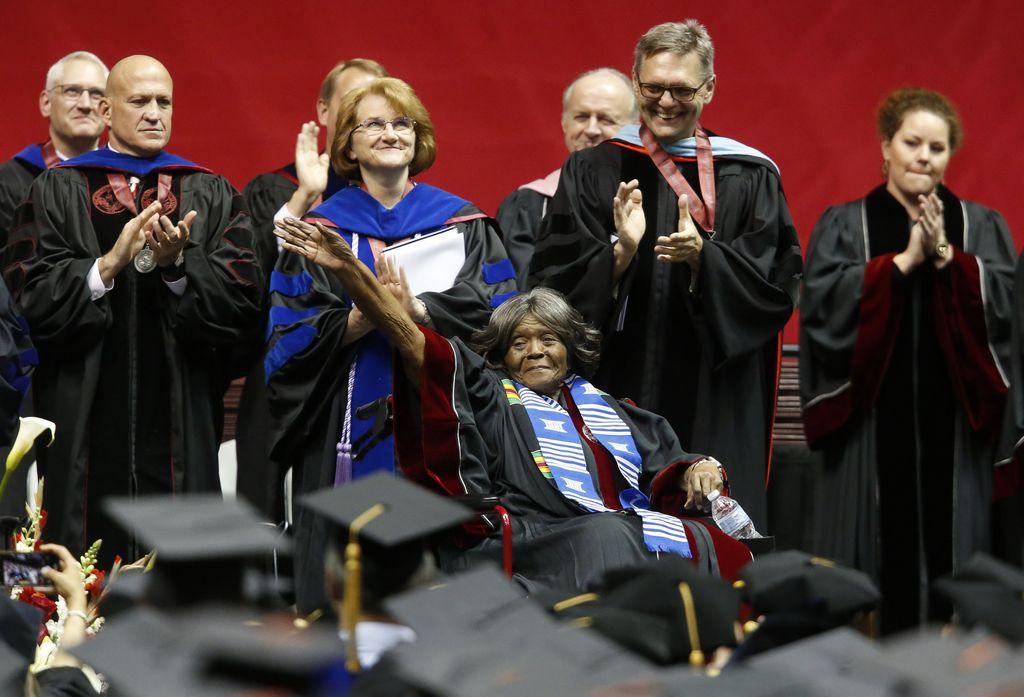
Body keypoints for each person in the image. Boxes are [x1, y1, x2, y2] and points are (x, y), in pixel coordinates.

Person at [276, 213, 752, 594]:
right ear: (502, 354)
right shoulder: (489, 392)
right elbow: (413, 342)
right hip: (533, 538)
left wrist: (697, 467)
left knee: (710, 538)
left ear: (570, 347)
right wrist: (352, 273)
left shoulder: (607, 407)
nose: (536, 351)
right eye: (520, 343)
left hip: (617, 527)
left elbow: (666, 462)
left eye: (549, 339)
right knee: (606, 535)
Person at [529, 20, 802, 532]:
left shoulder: (749, 175)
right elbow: (550, 286)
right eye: (653, 88)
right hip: (615, 385)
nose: (666, 102)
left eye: (682, 89)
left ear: (710, 88)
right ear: (635, 83)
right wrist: (619, 254)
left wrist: (707, 260)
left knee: (709, 545)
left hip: (713, 392)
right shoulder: (593, 169)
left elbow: (776, 286)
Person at [264, 77, 516, 613]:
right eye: (373, 124)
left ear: (418, 137)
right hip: (343, 419)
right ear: (348, 146)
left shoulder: (463, 222)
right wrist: (362, 318)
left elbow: (502, 315)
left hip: (444, 416)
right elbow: (287, 338)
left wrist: (422, 312)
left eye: (402, 123)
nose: (390, 134)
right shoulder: (319, 232)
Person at [2, 55, 263, 567]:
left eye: (163, 102)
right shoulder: (57, 189)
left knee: (181, 572)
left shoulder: (208, 191)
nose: (153, 113)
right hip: (82, 414)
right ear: (105, 110)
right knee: (81, 559)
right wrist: (105, 267)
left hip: (183, 413)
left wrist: (177, 269)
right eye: (139, 101)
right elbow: (26, 297)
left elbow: (243, 302)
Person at [799, 87, 1016, 634]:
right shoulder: (847, 224)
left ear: (949, 156)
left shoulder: (981, 226)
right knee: (874, 551)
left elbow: (1008, 309)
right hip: (869, 430)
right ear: (887, 148)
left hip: (955, 434)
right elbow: (821, 304)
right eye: (912, 142)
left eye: (937, 147)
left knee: (952, 550)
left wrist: (945, 256)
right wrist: (901, 263)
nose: (924, 156)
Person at [236, 58, 387, 521]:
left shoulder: (395, 197)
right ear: (323, 111)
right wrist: (304, 197)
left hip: (365, 368)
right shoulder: (276, 188)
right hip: (288, 363)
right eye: (352, 102)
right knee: (263, 494)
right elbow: (250, 278)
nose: (364, 115)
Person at [496, 68, 636, 288]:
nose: (591, 129)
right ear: (564, 123)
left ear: (634, 129)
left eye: (606, 119)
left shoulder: (651, 200)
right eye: (581, 117)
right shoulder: (530, 203)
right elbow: (516, 292)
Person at [0, 51, 108, 248]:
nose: (85, 104)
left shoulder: (124, 181)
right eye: (72, 91)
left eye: (96, 94)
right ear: (46, 103)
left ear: (109, 109)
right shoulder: (7, 183)